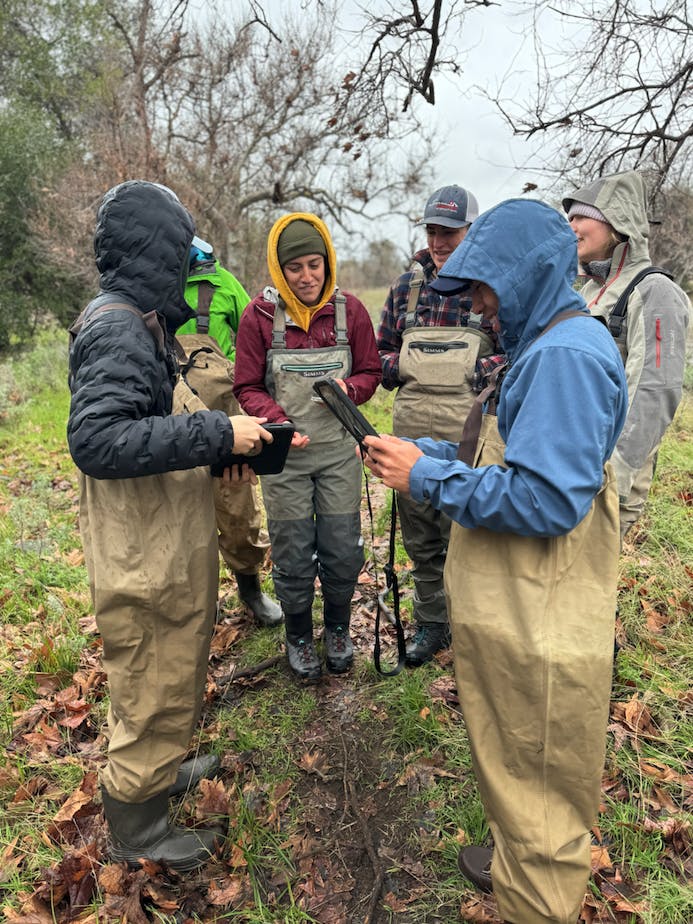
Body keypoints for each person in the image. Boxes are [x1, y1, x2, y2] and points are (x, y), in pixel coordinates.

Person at [362, 199, 628, 924]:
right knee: (515, 757)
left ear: (525, 274)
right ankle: (516, 853)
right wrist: (426, 455)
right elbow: (507, 451)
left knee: (538, 767)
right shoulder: (542, 344)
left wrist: (428, 479)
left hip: (538, 611)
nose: (477, 306)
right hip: (517, 600)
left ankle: (532, 889)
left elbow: (545, 498)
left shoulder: (564, 359)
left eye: (484, 288)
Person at [67, 180, 272, 872]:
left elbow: (149, 426)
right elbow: (97, 440)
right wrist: (215, 430)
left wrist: (218, 448)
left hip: (159, 536)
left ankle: (158, 776)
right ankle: (137, 824)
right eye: (180, 250)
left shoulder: (138, 317)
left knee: (170, 666)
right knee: (151, 673)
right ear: (157, 252)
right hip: (142, 550)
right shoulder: (118, 327)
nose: (189, 265)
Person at [233, 212, 381, 681]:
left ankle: (337, 628)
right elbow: (247, 385)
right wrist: (277, 422)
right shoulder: (258, 317)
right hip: (286, 457)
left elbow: (371, 373)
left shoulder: (350, 312)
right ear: (279, 270)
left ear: (327, 263)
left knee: (341, 546)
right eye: (294, 267)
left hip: (338, 453)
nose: (306, 276)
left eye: (314, 264)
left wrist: (348, 391)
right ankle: (298, 633)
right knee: (293, 549)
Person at [375, 184, 499, 666]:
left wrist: (476, 371)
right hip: (410, 433)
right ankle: (433, 625)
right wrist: (403, 365)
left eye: (450, 231)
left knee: (466, 539)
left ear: (471, 231)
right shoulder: (406, 289)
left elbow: (516, 356)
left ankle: (473, 630)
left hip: (468, 438)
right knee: (420, 538)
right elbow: (379, 354)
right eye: (432, 231)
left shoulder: (486, 288)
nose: (439, 242)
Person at [562, 170, 690, 542]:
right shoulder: (590, 290)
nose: (570, 226)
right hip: (568, 466)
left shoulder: (654, 291)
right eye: (569, 217)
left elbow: (653, 392)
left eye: (581, 216)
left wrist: (611, 481)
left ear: (616, 222)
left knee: (583, 590)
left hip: (605, 477)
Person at [177, 237, 282, 627]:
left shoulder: (223, 285)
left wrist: (227, 371)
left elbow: (254, 341)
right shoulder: (151, 284)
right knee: (180, 508)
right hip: (170, 419)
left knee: (237, 506)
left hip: (225, 418)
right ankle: (194, 598)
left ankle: (251, 590)